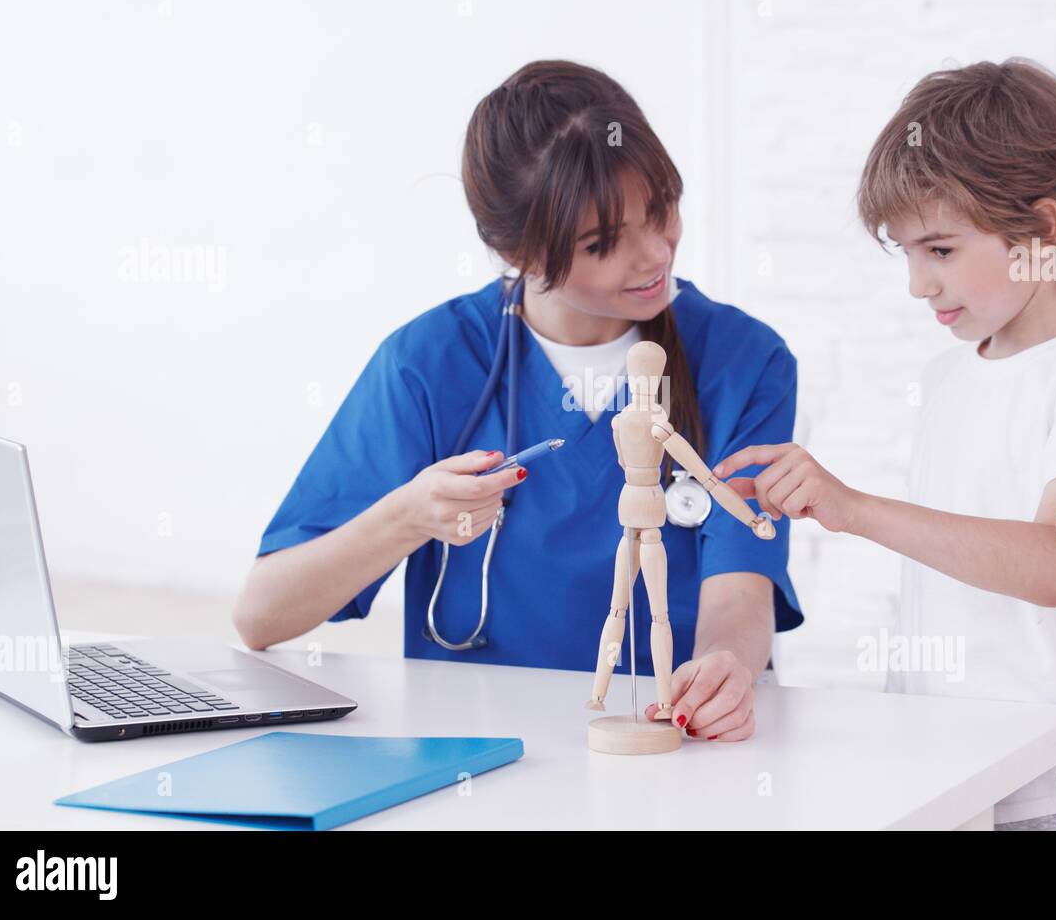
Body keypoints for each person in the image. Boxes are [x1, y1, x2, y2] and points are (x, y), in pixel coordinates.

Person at [233, 60, 803, 743]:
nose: (656, 254)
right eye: (603, 243)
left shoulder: (743, 360)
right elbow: (263, 615)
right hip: (480, 759)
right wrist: (409, 516)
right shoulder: (430, 364)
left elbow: (742, 586)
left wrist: (724, 669)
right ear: (519, 253)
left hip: (673, 750)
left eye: (661, 210)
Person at [715, 59, 1056, 820]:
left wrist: (851, 507)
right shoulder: (952, 377)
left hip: (1049, 796)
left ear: (1043, 230)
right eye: (908, 254)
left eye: (942, 251)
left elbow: (1052, 562)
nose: (919, 284)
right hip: (945, 774)